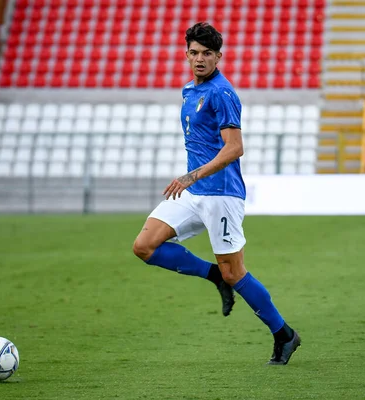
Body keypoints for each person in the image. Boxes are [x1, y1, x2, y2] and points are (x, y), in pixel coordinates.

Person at [132, 22, 301, 365]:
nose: (199, 59)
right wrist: (192, 181)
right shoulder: (188, 91)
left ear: (218, 57)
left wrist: (191, 175)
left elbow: (234, 148)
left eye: (207, 54)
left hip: (221, 195)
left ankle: (284, 335)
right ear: (186, 54)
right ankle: (212, 276)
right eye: (194, 52)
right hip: (193, 193)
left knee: (235, 273)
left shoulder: (223, 93)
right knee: (144, 246)